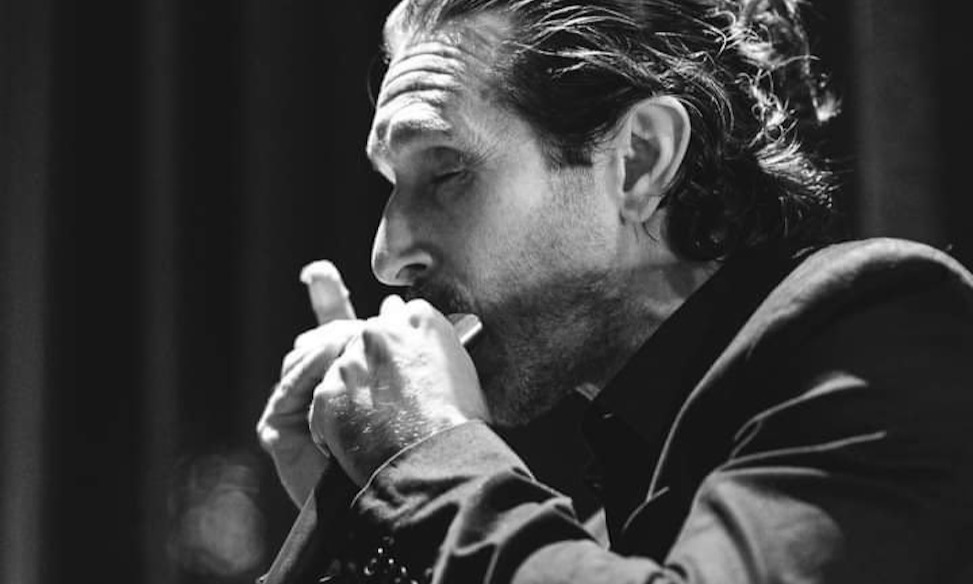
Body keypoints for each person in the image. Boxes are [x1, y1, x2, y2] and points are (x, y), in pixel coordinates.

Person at [256, 0, 973, 582]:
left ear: (639, 158)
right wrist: (354, 512)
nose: (387, 256)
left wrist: (423, 456)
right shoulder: (590, 536)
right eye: (392, 186)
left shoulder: (882, 324)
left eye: (446, 173)